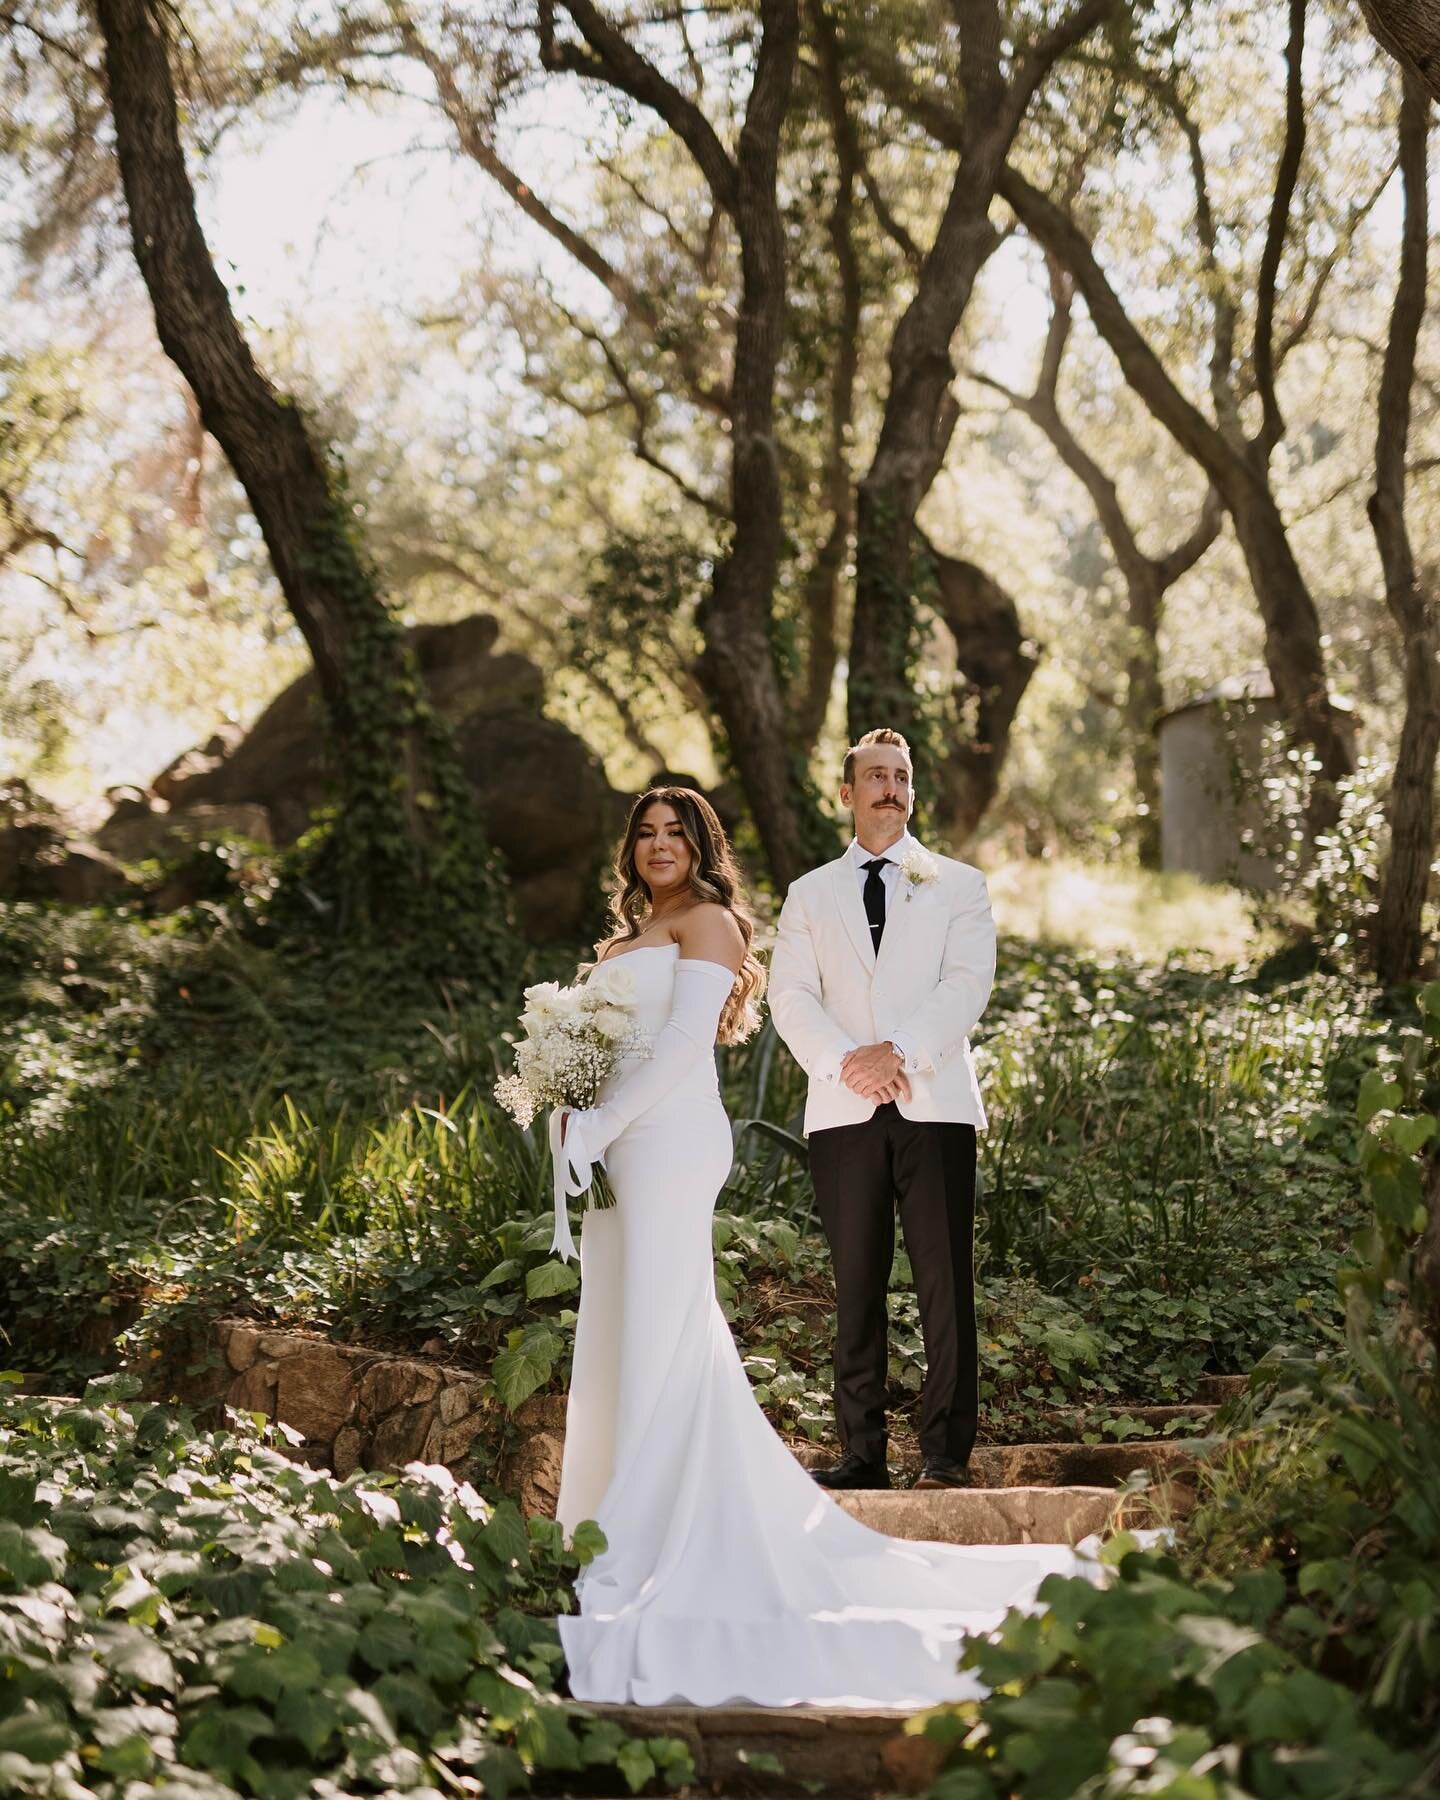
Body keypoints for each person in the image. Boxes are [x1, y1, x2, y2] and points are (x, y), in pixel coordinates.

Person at [550, 782, 1114, 1709]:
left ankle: (666, 1539)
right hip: (625, 1146)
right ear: (631, 850)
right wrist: (573, 1104)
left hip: (672, 1143)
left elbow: (690, 1041)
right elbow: (626, 1040)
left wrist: (600, 1124)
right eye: (646, 833)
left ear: (702, 846)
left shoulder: (716, 925)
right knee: (631, 1329)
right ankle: (618, 1527)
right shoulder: (626, 939)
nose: (660, 846)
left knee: (669, 1325)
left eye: (676, 833)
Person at [768, 727, 991, 1493]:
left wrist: (898, 1051)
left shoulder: (960, 884)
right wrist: (847, 1065)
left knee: (945, 1285)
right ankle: (861, 1455)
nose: (889, 787)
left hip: (935, 1106)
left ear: (912, 791)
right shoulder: (808, 894)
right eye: (875, 776)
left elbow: (966, 985)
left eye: (901, 776)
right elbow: (789, 995)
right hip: (843, 1111)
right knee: (855, 1285)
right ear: (847, 793)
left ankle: (944, 1457)